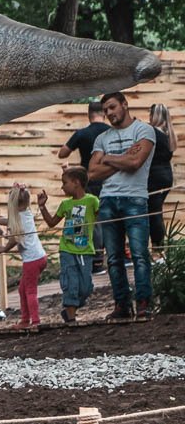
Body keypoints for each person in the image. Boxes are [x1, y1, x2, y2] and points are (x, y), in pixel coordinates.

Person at [89, 91, 156, 319]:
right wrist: (122, 159)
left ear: (125, 105)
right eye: (106, 110)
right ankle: (121, 305)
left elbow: (136, 162)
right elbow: (92, 172)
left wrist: (107, 158)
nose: (109, 113)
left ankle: (144, 302)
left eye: (112, 107)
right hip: (107, 199)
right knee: (114, 257)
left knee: (139, 254)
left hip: (135, 198)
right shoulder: (102, 138)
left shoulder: (143, 130)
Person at [38, 166, 99, 324]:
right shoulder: (65, 205)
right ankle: (71, 319)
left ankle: (70, 309)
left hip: (85, 250)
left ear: (76, 182)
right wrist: (42, 206)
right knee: (70, 282)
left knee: (85, 287)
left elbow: (103, 217)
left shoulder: (92, 201)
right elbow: (51, 223)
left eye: (64, 183)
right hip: (67, 250)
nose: (62, 187)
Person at [59, 100, 109, 272]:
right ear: (104, 113)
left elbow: (62, 153)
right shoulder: (111, 132)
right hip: (110, 178)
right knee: (112, 216)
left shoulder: (82, 133)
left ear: (88, 115)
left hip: (88, 180)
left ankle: (96, 262)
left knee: (93, 220)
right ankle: (119, 256)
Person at [0, 184, 47, 328]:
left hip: (32, 260)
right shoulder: (26, 213)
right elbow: (8, 221)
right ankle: (25, 319)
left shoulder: (18, 219)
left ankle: (35, 320)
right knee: (22, 290)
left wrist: (4, 249)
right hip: (40, 257)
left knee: (30, 291)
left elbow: (14, 239)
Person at [147, 103, 177, 255]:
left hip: (155, 177)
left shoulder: (152, 132)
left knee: (154, 213)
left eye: (150, 115)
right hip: (166, 176)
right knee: (155, 211)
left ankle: (158, 250)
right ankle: (157, 248)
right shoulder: (168, 133)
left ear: (155, 115)